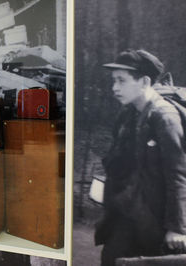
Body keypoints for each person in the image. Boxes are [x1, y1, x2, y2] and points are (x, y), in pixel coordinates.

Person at [95, 49, 186, 266]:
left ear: (144, 81)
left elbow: (178, 175)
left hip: (155, 223)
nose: (114, 88)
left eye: (121, 81)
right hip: (125, 216)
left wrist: (177, 228)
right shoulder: (128, 114)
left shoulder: (164, 118)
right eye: (113, 81)